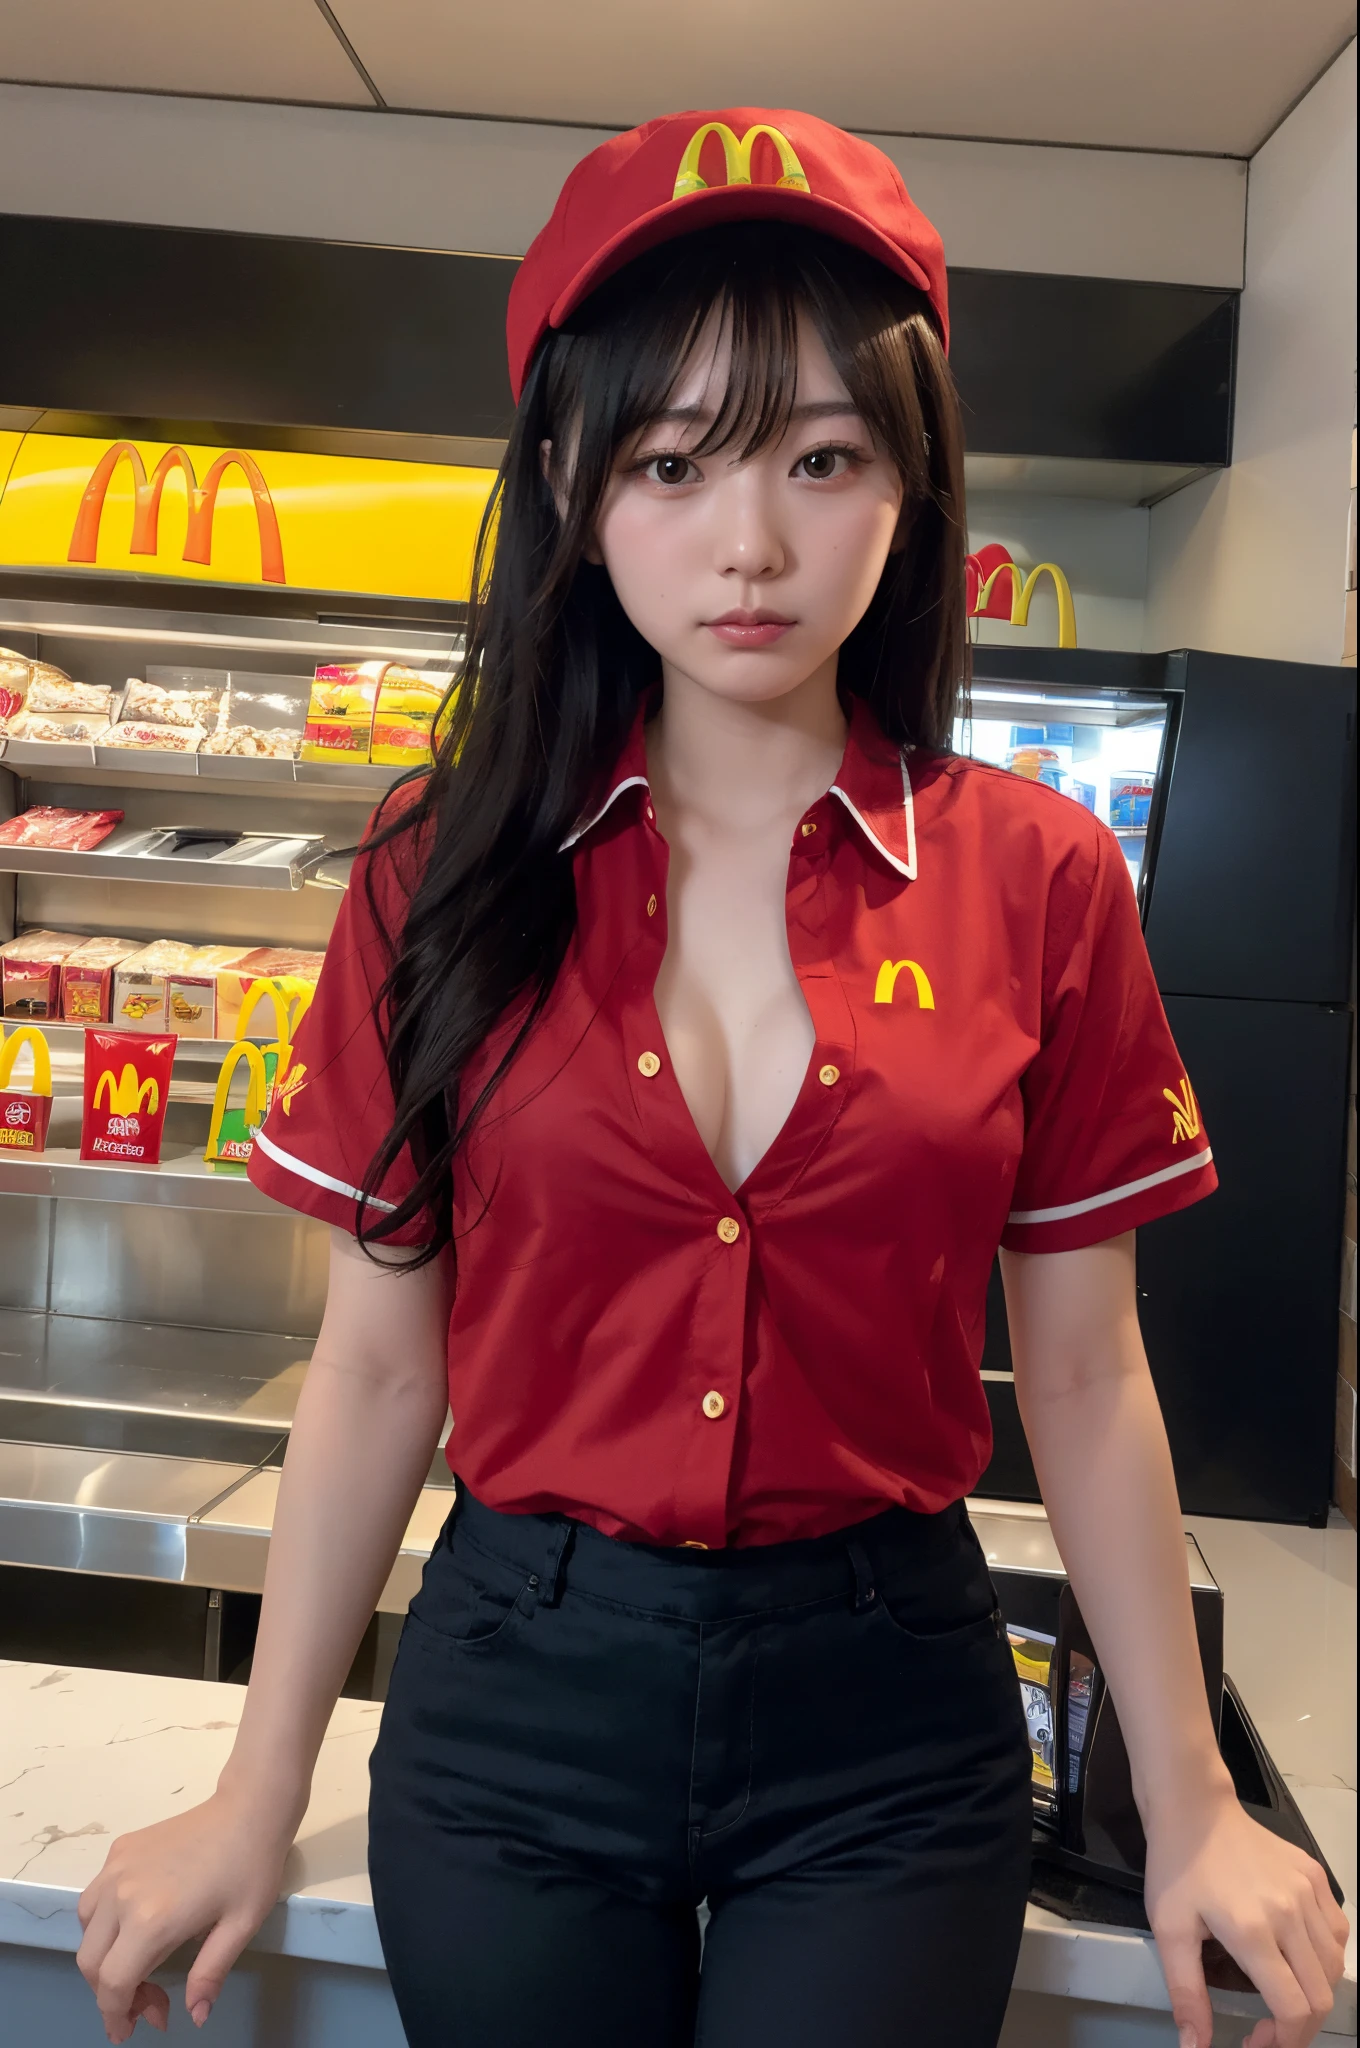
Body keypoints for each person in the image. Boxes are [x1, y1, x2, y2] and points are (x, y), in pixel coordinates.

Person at [75, 108, 1348, 2048]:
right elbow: (374, 1362)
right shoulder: (442, 870)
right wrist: (257, 1791)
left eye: (820, 458)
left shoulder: (1035, 876)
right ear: (575, 489)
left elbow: (1083, 1374)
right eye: (670, 463)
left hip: (884, 1726)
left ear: (911, 487)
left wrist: (1189, 1806)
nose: (747, 542)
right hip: (512, 1705)